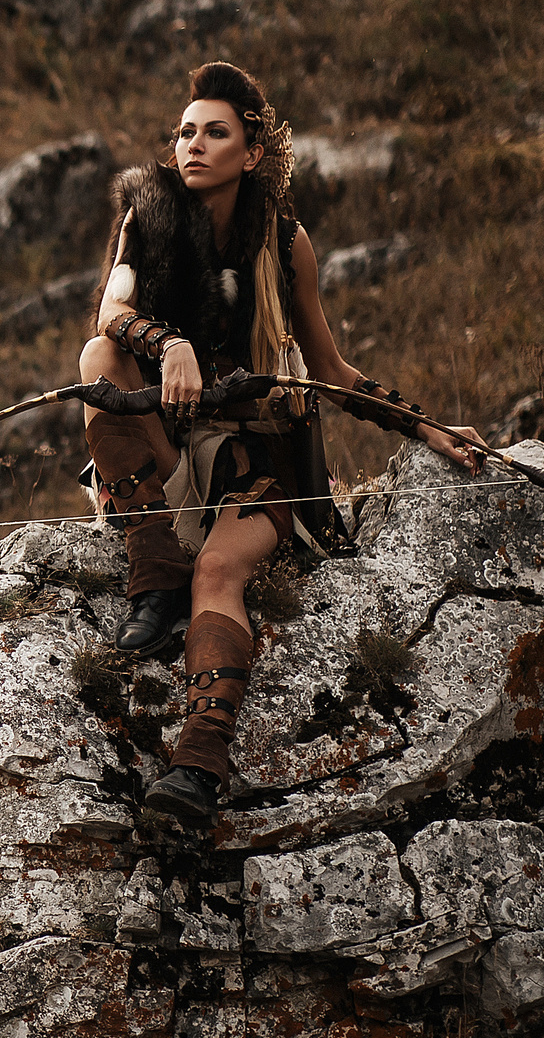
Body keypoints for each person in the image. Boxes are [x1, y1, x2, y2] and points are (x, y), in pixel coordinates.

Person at [77, 61, 485, 832]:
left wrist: (427, 425)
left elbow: (329, 370)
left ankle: (197, 768)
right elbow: (110, 312)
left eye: (214, 132)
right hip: (170, 457)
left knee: (221, 568)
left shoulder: (284, 239)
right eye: (185, 131)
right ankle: (151, 569)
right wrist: (170, 348)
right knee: (99, 362)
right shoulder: (148, 215)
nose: (191, 145)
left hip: (259, 464)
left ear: (252, 152)